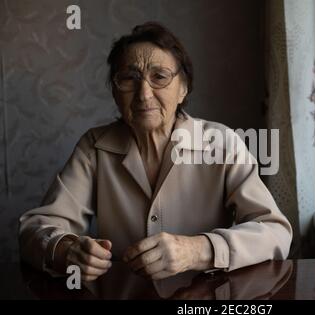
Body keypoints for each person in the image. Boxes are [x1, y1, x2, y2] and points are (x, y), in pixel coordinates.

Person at [18, 22, 292, 282]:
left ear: (183, 88)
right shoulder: (95, 147)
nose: (143, 94)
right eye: (129, 78)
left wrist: (197, 250)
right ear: (115, 91)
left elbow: (275, 232)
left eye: (159, 77)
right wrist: (67, 250)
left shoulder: (222, 142)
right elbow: (34, 229)